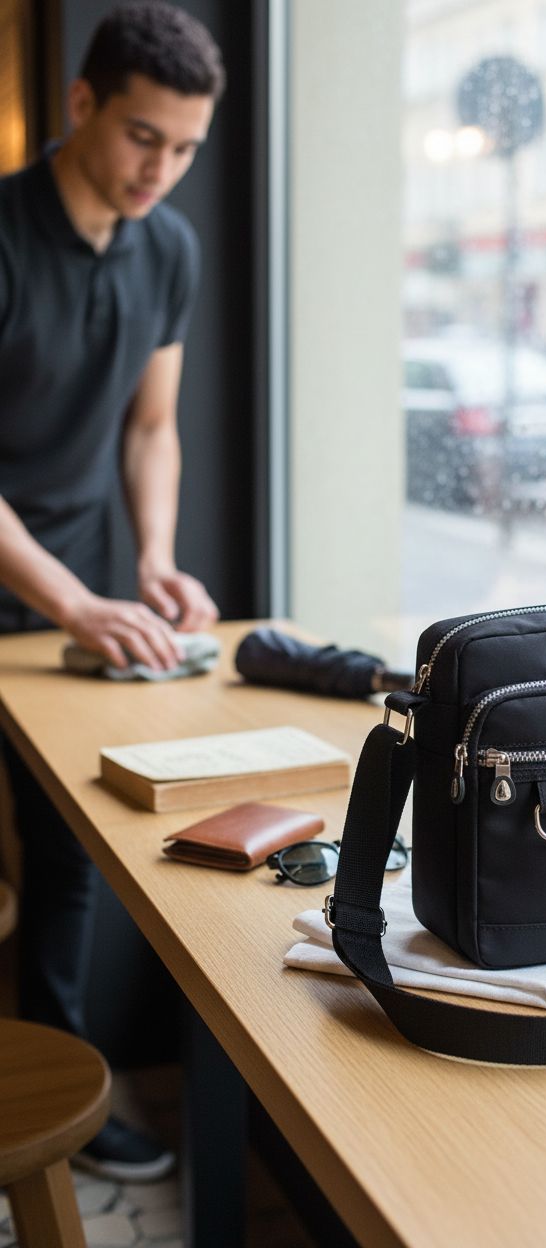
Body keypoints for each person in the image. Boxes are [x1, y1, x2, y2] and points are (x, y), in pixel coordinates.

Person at [0, 1, 224, 1181]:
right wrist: (72, 601)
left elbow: (151, 426)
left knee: (70, 853)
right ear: (82, 104)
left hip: (75, 591)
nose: (162, 170)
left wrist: (146, 559)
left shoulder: (170, 248)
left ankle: (58, 1088)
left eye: (185, 148)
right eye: (144, 137)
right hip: (45, 591)